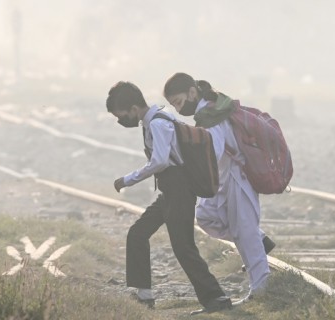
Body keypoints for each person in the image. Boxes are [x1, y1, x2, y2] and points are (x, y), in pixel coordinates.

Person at [106, 81, 231, 314]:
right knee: (138, 234)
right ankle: (144, 296)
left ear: (133, 108)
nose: (121, 121)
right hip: (170, 191)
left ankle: (217, 298)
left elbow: (161, 160)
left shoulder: (157, 124)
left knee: (183, 247)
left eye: (121, 115)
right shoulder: (156, 118)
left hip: (179, 190)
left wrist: (128, 180)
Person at [163, 72, 274, 302]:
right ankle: (260, 241)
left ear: (192, 93)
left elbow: (214, 150)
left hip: (237, 177)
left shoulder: (210, 115)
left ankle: (262, 289)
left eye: (180, 102)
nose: (178, 108)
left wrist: (188, 163)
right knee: (206, 216)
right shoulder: (208, 111)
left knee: (245, 231)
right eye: (174, 105)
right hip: (224, 178)